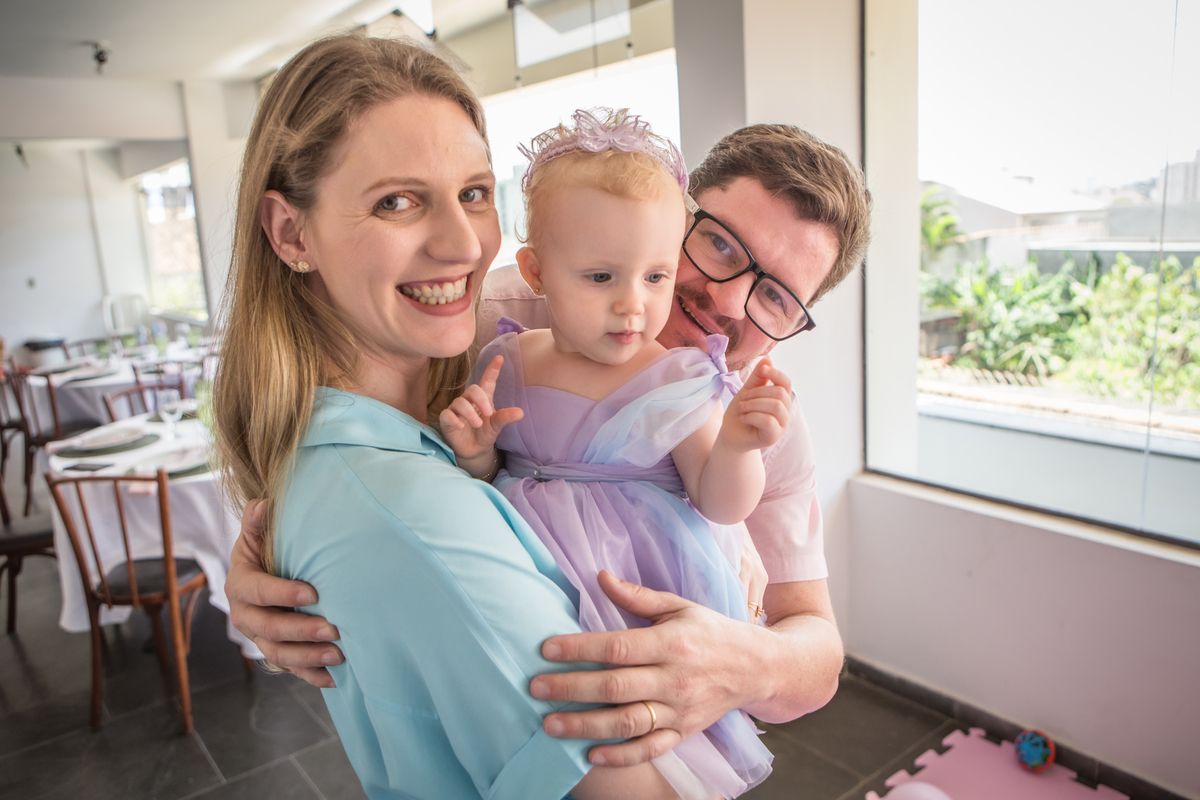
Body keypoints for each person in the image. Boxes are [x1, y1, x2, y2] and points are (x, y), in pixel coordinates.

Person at [226, 119, 872, 768]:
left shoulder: (762, 421)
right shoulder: (489, 319)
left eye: (777, 298)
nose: (729, 302)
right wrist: (278, 553)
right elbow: (346, 441)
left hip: (646, 720)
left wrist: (742, 664)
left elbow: (817, 656)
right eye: (723, 248)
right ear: (675, 218)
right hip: (494, 682)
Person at [212, 34, 689, 799]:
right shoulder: (417, 514)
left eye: (473, 192)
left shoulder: (437, 405)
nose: (464, 243)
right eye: (395, 201)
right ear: (292, 233)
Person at [440, 108, 793, 799]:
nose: (633, 306)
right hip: (529, 577)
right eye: (601, 278)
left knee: (637, 744)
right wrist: (476, 453)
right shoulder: (505, 357)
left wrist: (739, 445)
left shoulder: (675, 380)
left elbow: (719, 501)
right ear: (537, 271)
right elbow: (492, 473)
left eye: (656, 278)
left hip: (636, 584)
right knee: (534, 726)